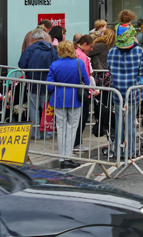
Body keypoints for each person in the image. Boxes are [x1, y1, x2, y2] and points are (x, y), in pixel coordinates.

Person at [107, 10, 143, 159]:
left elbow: (109, 68)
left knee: (119, 124)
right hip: (133, 92)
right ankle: (129, 153)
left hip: (118, 91)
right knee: (130, 124)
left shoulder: (112, 52)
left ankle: (118, 152)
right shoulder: (138, 51)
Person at [46, 40, 88, 169]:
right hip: (75, 98)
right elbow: (85, 81)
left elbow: (49, 84)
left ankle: (62, 157)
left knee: (61, 127)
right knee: (72, 127)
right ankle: (68, 156)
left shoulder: (55, 64)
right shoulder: (79, 63)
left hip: (59, 98)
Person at [18, 29, 58, 140]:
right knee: (47, 108)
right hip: (48, 83)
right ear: (44, 38)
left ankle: (35, 134)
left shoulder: (30, 49)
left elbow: (21, 64)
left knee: (33, 108)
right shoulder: (52, 50)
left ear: (33, 39)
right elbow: (56, 64)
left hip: (33, 83)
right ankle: (47, 133)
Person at [73, 34, 94, 153]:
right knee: (82, 117)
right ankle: (77, 143)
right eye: (90, 46)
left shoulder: (76, 53)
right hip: (82, 91)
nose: (91, 49)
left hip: (76, 90)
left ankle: (75, 142)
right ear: (84, 44)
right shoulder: (82, 56)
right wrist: (90, 90)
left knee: (76, 118)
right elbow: (86, 75)